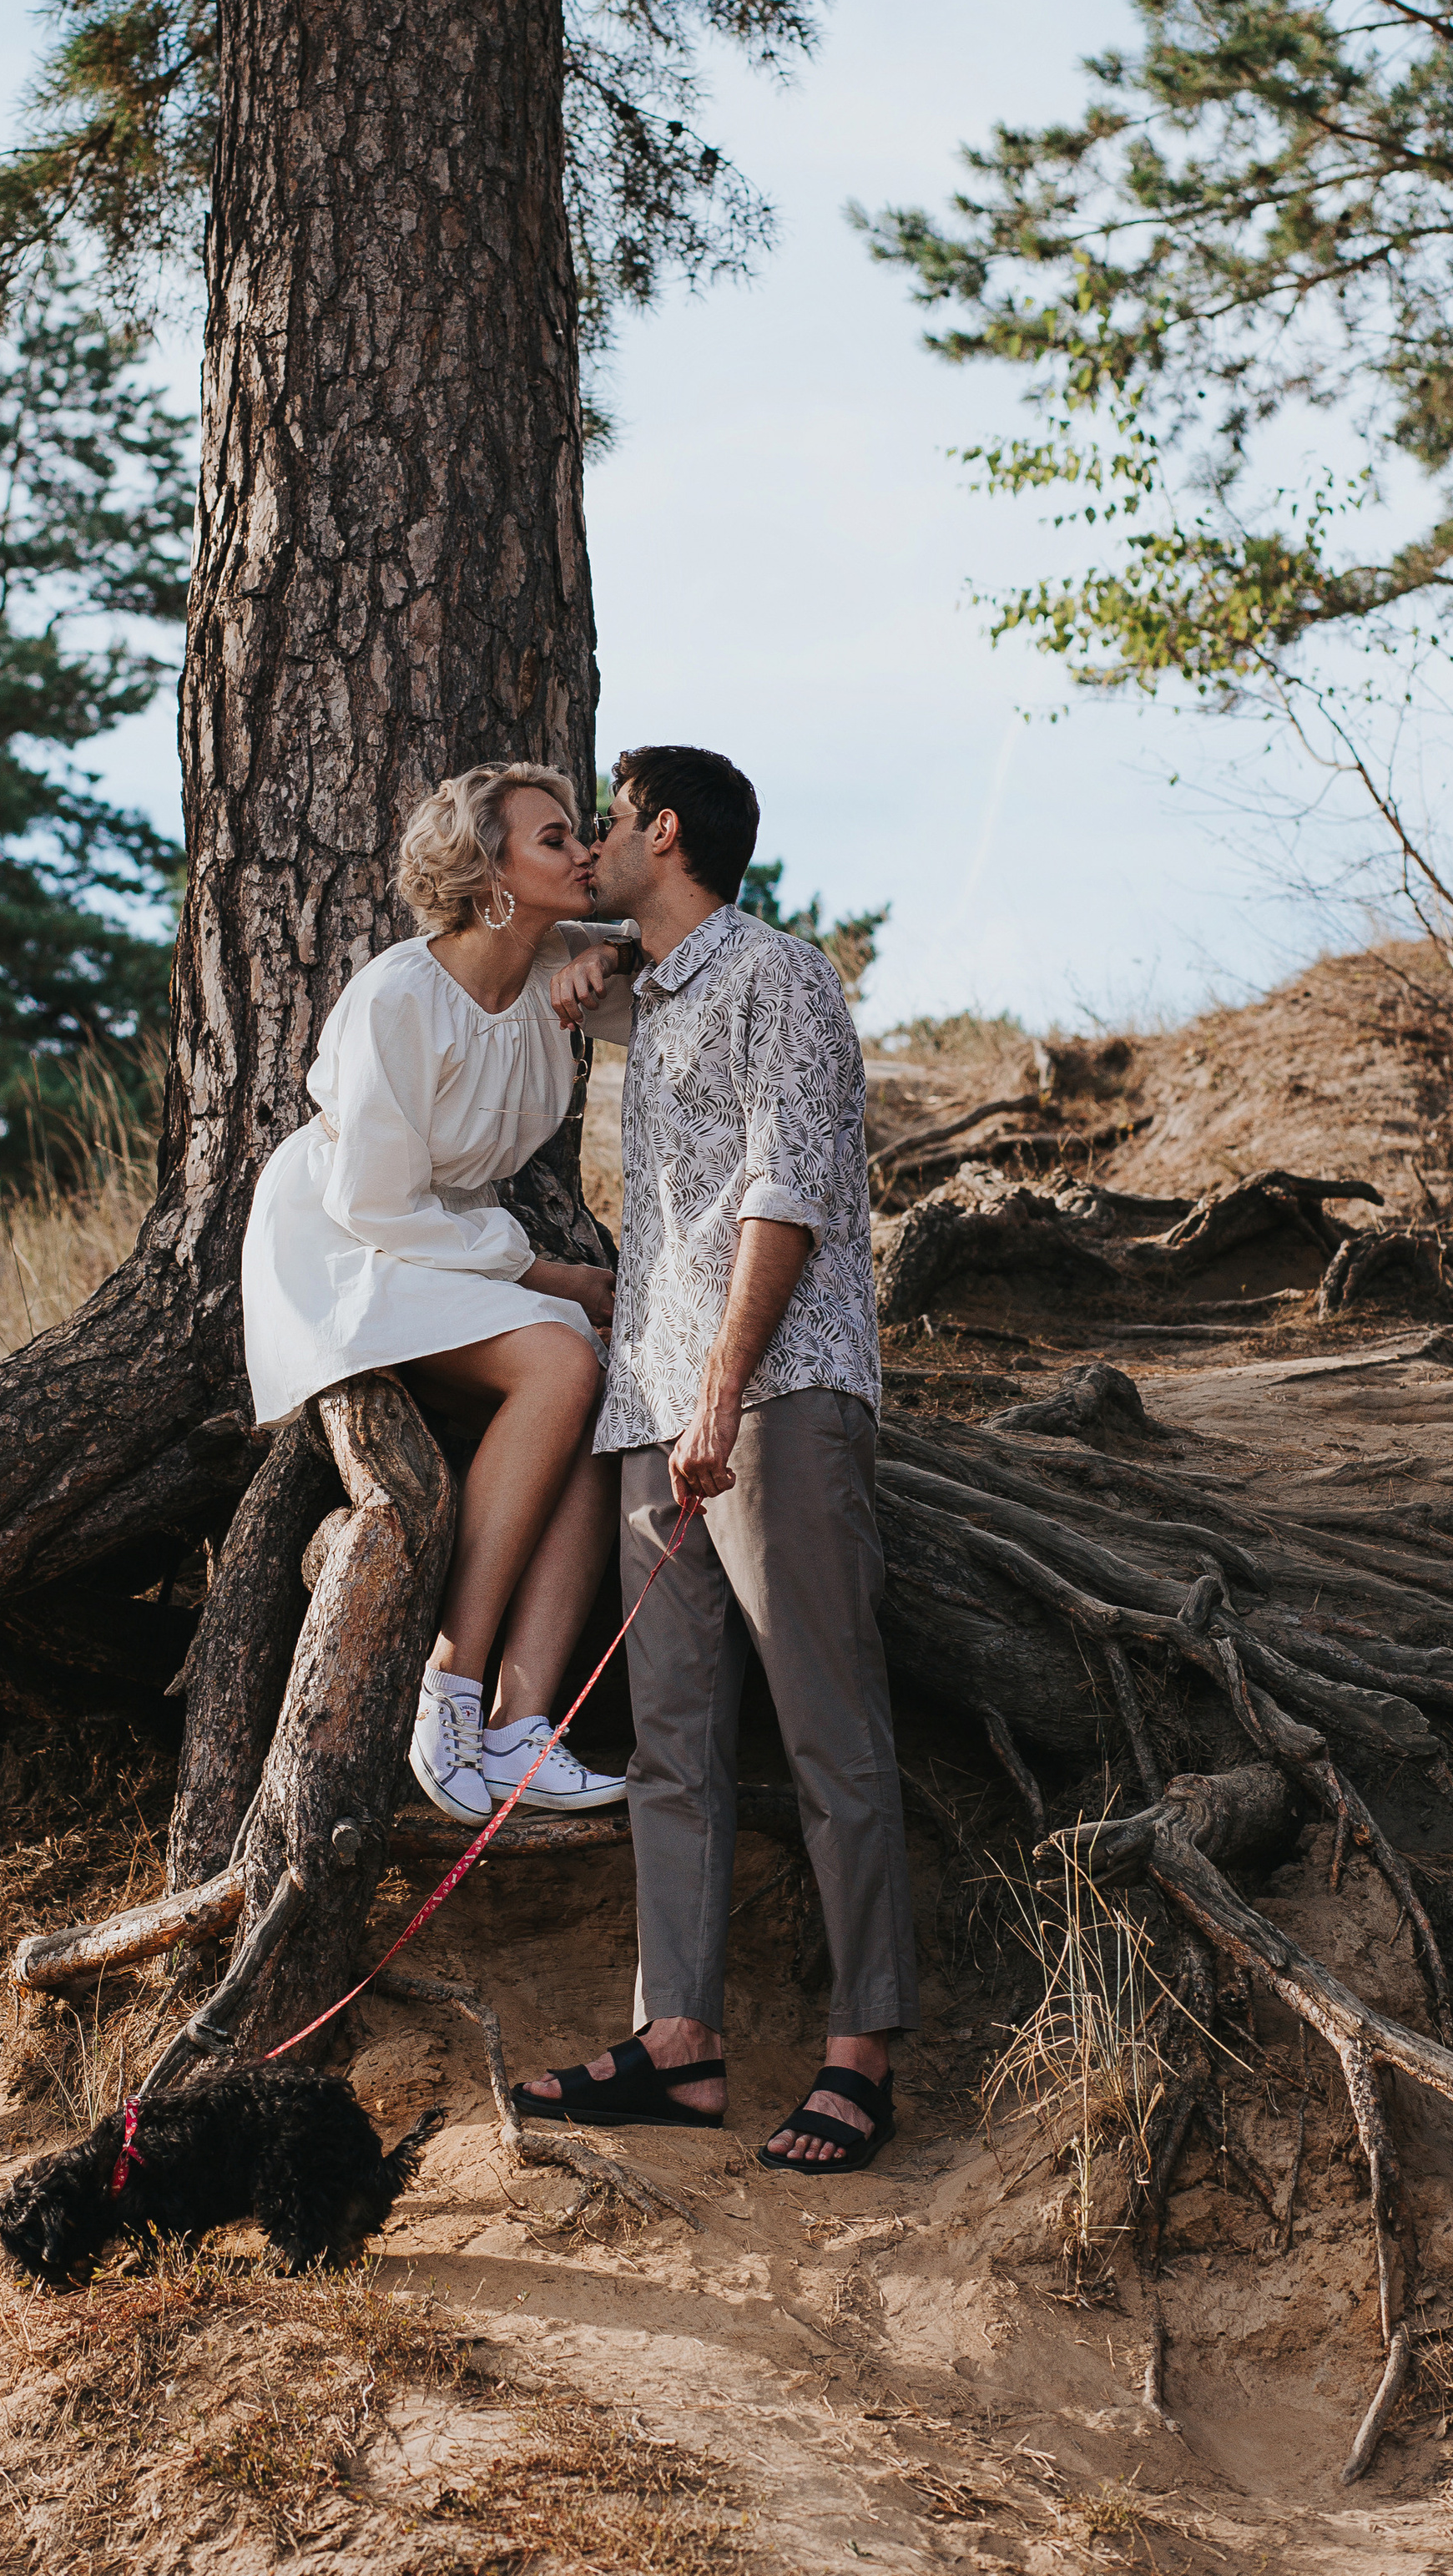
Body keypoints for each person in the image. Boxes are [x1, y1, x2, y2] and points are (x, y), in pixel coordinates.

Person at [515, 744, 916, 2172]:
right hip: (650, 1408)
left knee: (825, 1720)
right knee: (673, 1742)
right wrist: (592, 948)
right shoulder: (655, 986)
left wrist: (722, 1394)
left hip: (773, 1397)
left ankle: (861, 2052)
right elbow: (518, 935)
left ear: (664, 827)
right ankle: (677, 2043)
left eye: (606, 825)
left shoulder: (779, 976)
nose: (590, 849)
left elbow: (787, 1188)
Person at [239, 760, 627, 1825]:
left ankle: (519, 1728)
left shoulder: (559, 973)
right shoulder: (399, 997)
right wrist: (546, 1273)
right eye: (554, 839)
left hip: (447, 1239)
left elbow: (692, 986)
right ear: (490, 870)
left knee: (606, 1398)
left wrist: (609, 957)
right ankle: (447, 1692)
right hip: (344, 1239)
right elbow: (375, 1200)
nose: (584, 851)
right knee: (561, 1357)